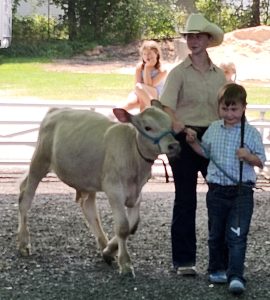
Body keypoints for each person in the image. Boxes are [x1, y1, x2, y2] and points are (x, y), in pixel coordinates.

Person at [159, 13, 227, 275]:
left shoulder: (219, 75)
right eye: (190, 36)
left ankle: (219, 262)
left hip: (212, 138)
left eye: (198, 36)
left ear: (208, 39)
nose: (193, 40)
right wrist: (180, 128)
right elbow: (166, 107)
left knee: (218, 198)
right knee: (185, 199)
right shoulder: (177, 74)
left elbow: (225, 109)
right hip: (183, 139)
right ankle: (184, 261)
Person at [186, 83, 266, 294]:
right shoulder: (213, 129)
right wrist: (193, 143)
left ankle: (236, 275)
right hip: (216, 191)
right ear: (219, 107)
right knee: (216, 233)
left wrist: (248, 157)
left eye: (234, 109)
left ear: (243, 108)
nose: (229, 114)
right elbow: (205, 153)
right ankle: (216, 268)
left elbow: (261, 161)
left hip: (241, 191)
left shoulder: (250, 133)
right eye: (225, 109)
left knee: (237, 235)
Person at [122, 40, 167, 112]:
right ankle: (112, 114)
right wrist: (146, 67)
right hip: (140, 91)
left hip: (155, 94)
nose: (146, 56)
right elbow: (137, 85)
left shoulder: (162, 70)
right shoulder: (139, 67)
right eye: (144, 54)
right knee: (130, 103)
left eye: (149, 53)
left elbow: (149, 85)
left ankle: (155, 110)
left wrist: (147, 68)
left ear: (156, 53)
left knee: (139, 88)